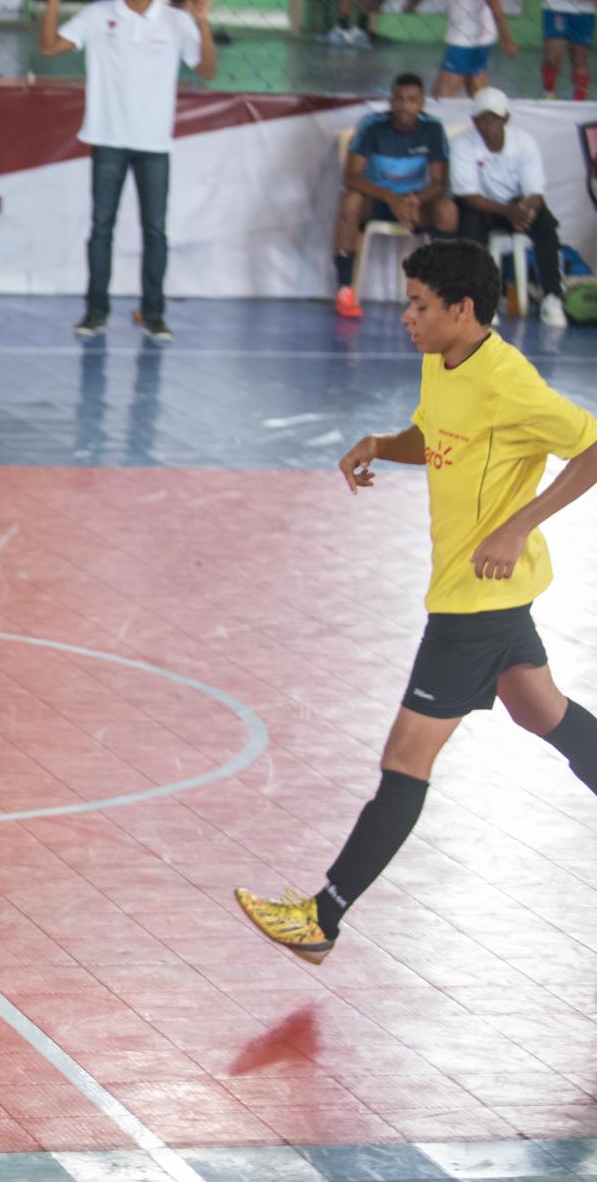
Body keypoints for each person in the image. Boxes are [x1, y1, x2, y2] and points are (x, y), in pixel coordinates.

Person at [236, 240, 597, 965]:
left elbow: (592, 446)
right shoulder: (441, 359)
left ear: (461, 310)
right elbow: (437, 437)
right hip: (487, 595)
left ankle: (323, 917)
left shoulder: (509, 382)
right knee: (544, 713)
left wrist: (519, 525)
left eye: (419, 305)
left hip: (475, 604)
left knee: (406, 757)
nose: (405, 316)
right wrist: (380, 443)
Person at [38, 0, 216, 343]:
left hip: (154, 143)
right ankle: (95, 312)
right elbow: (49, 47)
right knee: (101, 228)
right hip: (108, 138)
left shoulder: (175, 20)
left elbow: (207, 69)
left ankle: (154, 315)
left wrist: (202, 21)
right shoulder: (97, 15)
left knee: (155, 232)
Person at [331, 72, 456, 321]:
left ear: (422, 103)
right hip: (378, 200)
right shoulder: (372, 126)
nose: (404, 106)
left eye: (412, 100)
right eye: (399, 99)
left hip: (415, 203)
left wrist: (416, 199)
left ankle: (444, 293)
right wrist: (390, 197)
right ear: (390, 101)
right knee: (350, 200)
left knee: (448, 211)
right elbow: (351, 177)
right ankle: (345, 290)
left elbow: (439, 183)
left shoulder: (432, 128)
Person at [451, 88, 569, 329]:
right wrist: (508, 211)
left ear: (505, 119)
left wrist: (526, 210)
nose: (487, 125)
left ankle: (552, 297)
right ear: (474, 121)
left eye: (493, 118)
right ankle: (480, 302)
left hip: (516, 206)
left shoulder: (524, 142)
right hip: (482, 206)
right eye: (482, 119)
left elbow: (535, 191)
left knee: (545, 224)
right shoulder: (462, 143)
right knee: (470, 226)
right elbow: (467, 194)